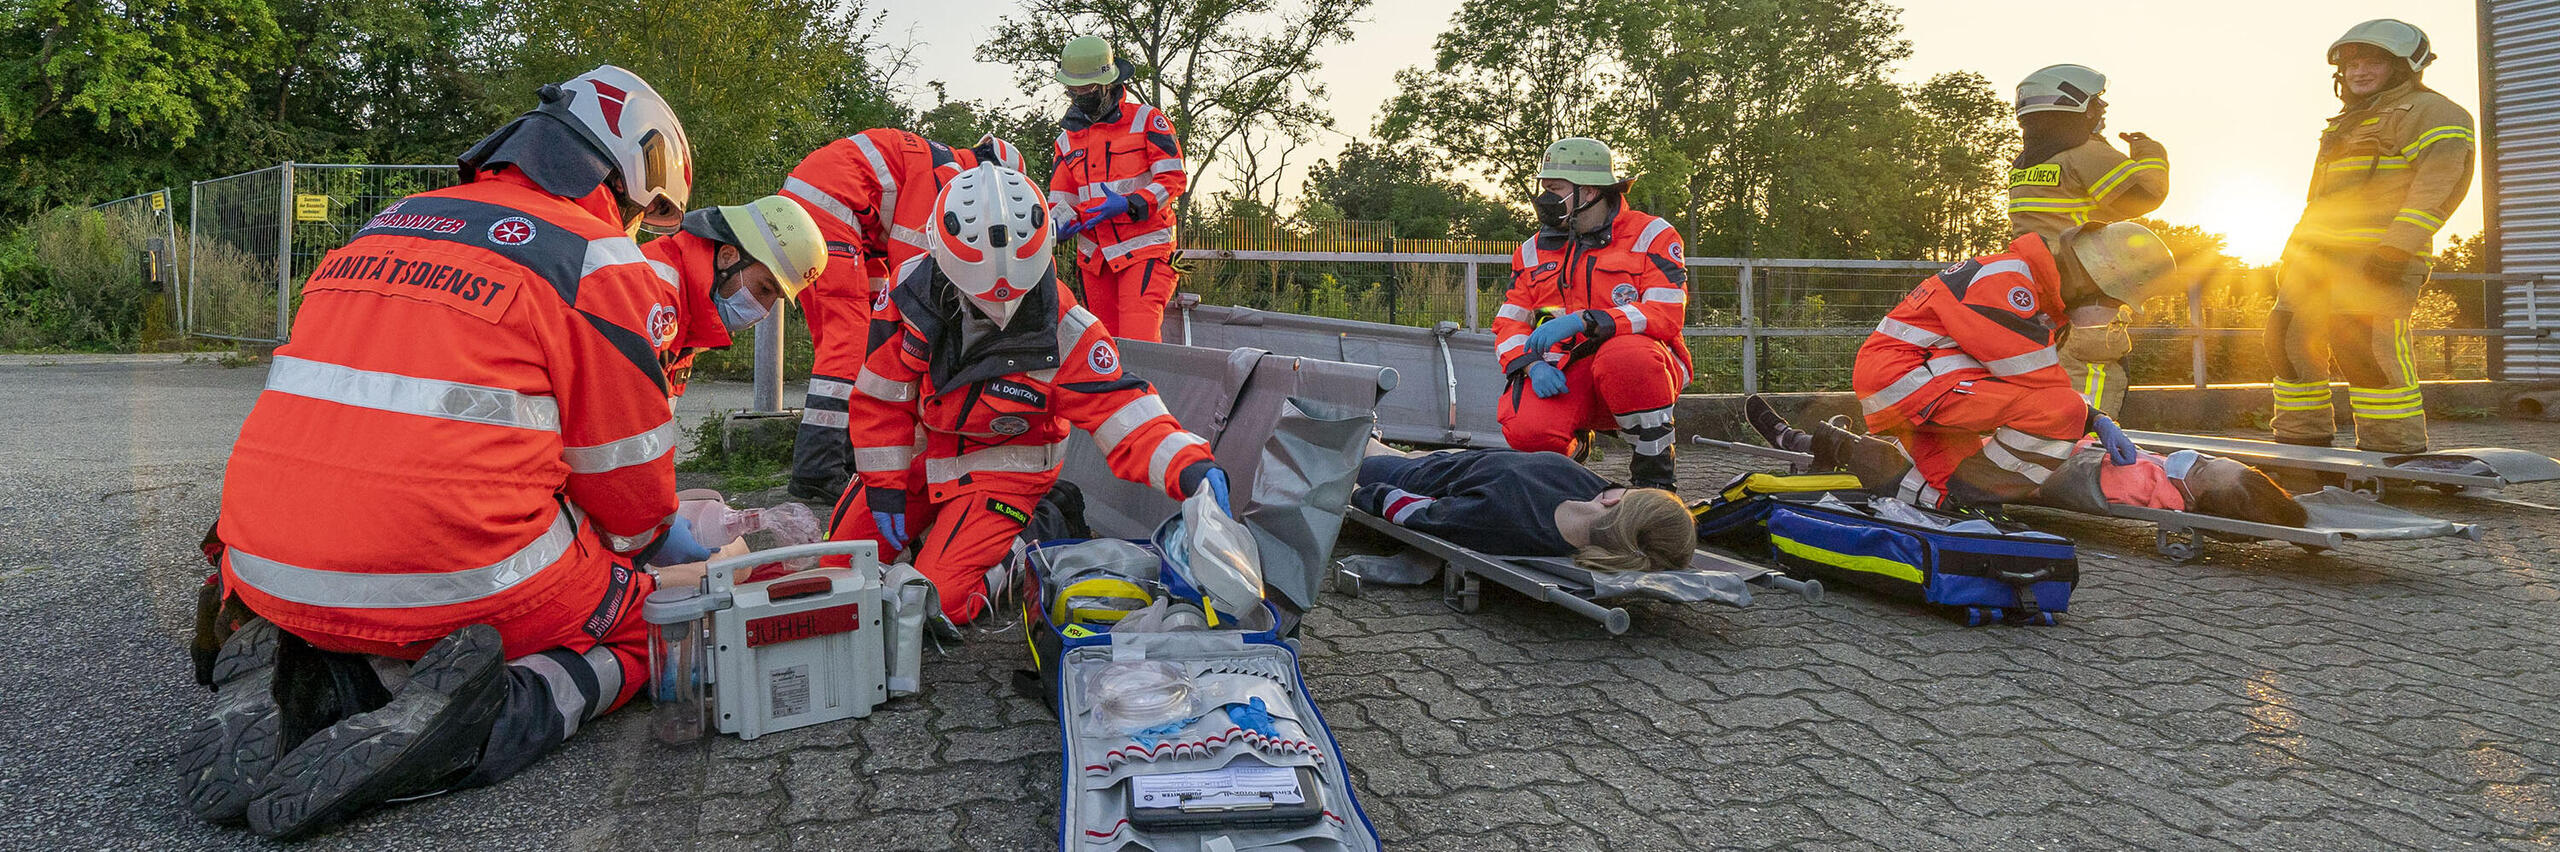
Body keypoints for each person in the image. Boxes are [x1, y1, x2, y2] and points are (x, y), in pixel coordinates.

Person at [188, 66, 712, 838]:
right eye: (647, 213)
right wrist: (653, 555)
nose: (640, 229)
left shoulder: (390, 221)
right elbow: (629, 496)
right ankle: (472, 725)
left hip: (259, 559)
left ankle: (313, 673)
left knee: (420, 569)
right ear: (628, 177)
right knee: (648, 620)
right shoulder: (596, 257)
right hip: (449, 574)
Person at [827, 163, 1231, 624]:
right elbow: (883, 399)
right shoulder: (906, 297)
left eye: (1012, 298)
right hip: (922, 451)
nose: (1000, 313)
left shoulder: (1066, 329)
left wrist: (1189, 466)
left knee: (938, 603)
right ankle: (942, 533)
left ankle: (1043, 525)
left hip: (1004, 469)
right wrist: (884, 486)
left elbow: (1123, 412)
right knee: (835, 573)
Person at [1851, 220, 2176, 511]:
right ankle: (1973, 496)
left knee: (1945, 492)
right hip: (1913, 381)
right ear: (2093, 285)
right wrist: (2092, 417)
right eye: (2116, 301)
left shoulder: (2028, 284)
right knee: (2061, 411)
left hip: (1914, 383)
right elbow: (2031, 376)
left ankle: (1845, 448)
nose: (2116, 312)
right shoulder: (2010, 282)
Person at [779, 130, 1027, 502]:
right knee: (850, 342)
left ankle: (848, 454)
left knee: (864, 343)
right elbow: (913, 265)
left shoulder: (939, 161)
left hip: (833, 215)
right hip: (831, 212)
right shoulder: (950, 177)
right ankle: (817, 468)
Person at [2269, 19, 2476, 454]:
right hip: (2316, 258)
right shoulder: (2346, 123)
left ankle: (2393, 450)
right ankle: (2300, 443)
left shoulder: (2434, 113)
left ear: (2405, 66)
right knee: (2286, 338)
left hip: (2379, 258)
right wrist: (2293, 253)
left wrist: (2397, 249)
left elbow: (2442, 183)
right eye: (2352, 63)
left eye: (2374, 62)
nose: (2359, 71)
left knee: (2365, 347)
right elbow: (2320, 201)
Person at [1746, 397, 2309, 528]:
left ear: (2195, 499)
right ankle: (1810, 440)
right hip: (1998, 457)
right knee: (1908, 432)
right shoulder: (2160, 476)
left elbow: (2056, 470)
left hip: (1984, 479)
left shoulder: (2146, 489)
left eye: (2206, 469)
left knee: (1884, 457)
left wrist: (2081, 424)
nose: (2199, 460)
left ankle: (1798, 439)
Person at [1492, 137, 1689, 491]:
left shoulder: (1651, 235)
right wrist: (1531, 365)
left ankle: (1654, 479)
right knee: (1525, 428)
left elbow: (1666, 312)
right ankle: (1574, 455)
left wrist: (1591, 320)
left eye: (1556, 189)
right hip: (1567, 372)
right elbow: (1509, 323)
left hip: (1638, 369)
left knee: (1626, 355)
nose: (1546, 200)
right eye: (1545, 189)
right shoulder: (1532, 250)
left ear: (1591, 192)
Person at [2008, 64, 2171, 417]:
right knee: (2097, 365)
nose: (2103, 110)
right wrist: (2151, 154)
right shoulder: (2086, 153)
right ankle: (2090, 447)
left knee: (2054, 370)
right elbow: (2145, 196)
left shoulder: (2024, 165)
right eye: (2096, 103)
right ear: (2072, 107)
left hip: (2038, 279)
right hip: (2085, 280)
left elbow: (2076, 211)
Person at [1353, 443, 1696, 573]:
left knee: (1362, 449)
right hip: (1463, 460)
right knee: (1394, 450)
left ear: (1615, 501)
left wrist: (1354, 492)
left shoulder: (1506, 523)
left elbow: (1417, 512)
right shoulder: (1593, 489)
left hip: (1425, 476)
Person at [1048, 35, 1187, 342]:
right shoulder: (1065, 141)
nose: (1077, 94)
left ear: (1107, 83)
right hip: (1096, 259)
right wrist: (1057, 224)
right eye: (1072, 88)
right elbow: (1061, 199)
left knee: (1140, 346)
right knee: (1104, 352)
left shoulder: (1146, 119)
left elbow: (1173, 178)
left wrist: (1131, 203)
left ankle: (1147, 392)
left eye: (1084, 88)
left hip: (1144, 251)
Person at [638, 195, 826, 401]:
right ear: (727, 256)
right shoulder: (657, 293)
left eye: (776, 298)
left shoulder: (686, 304)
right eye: (764, 288)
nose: (764, 310)